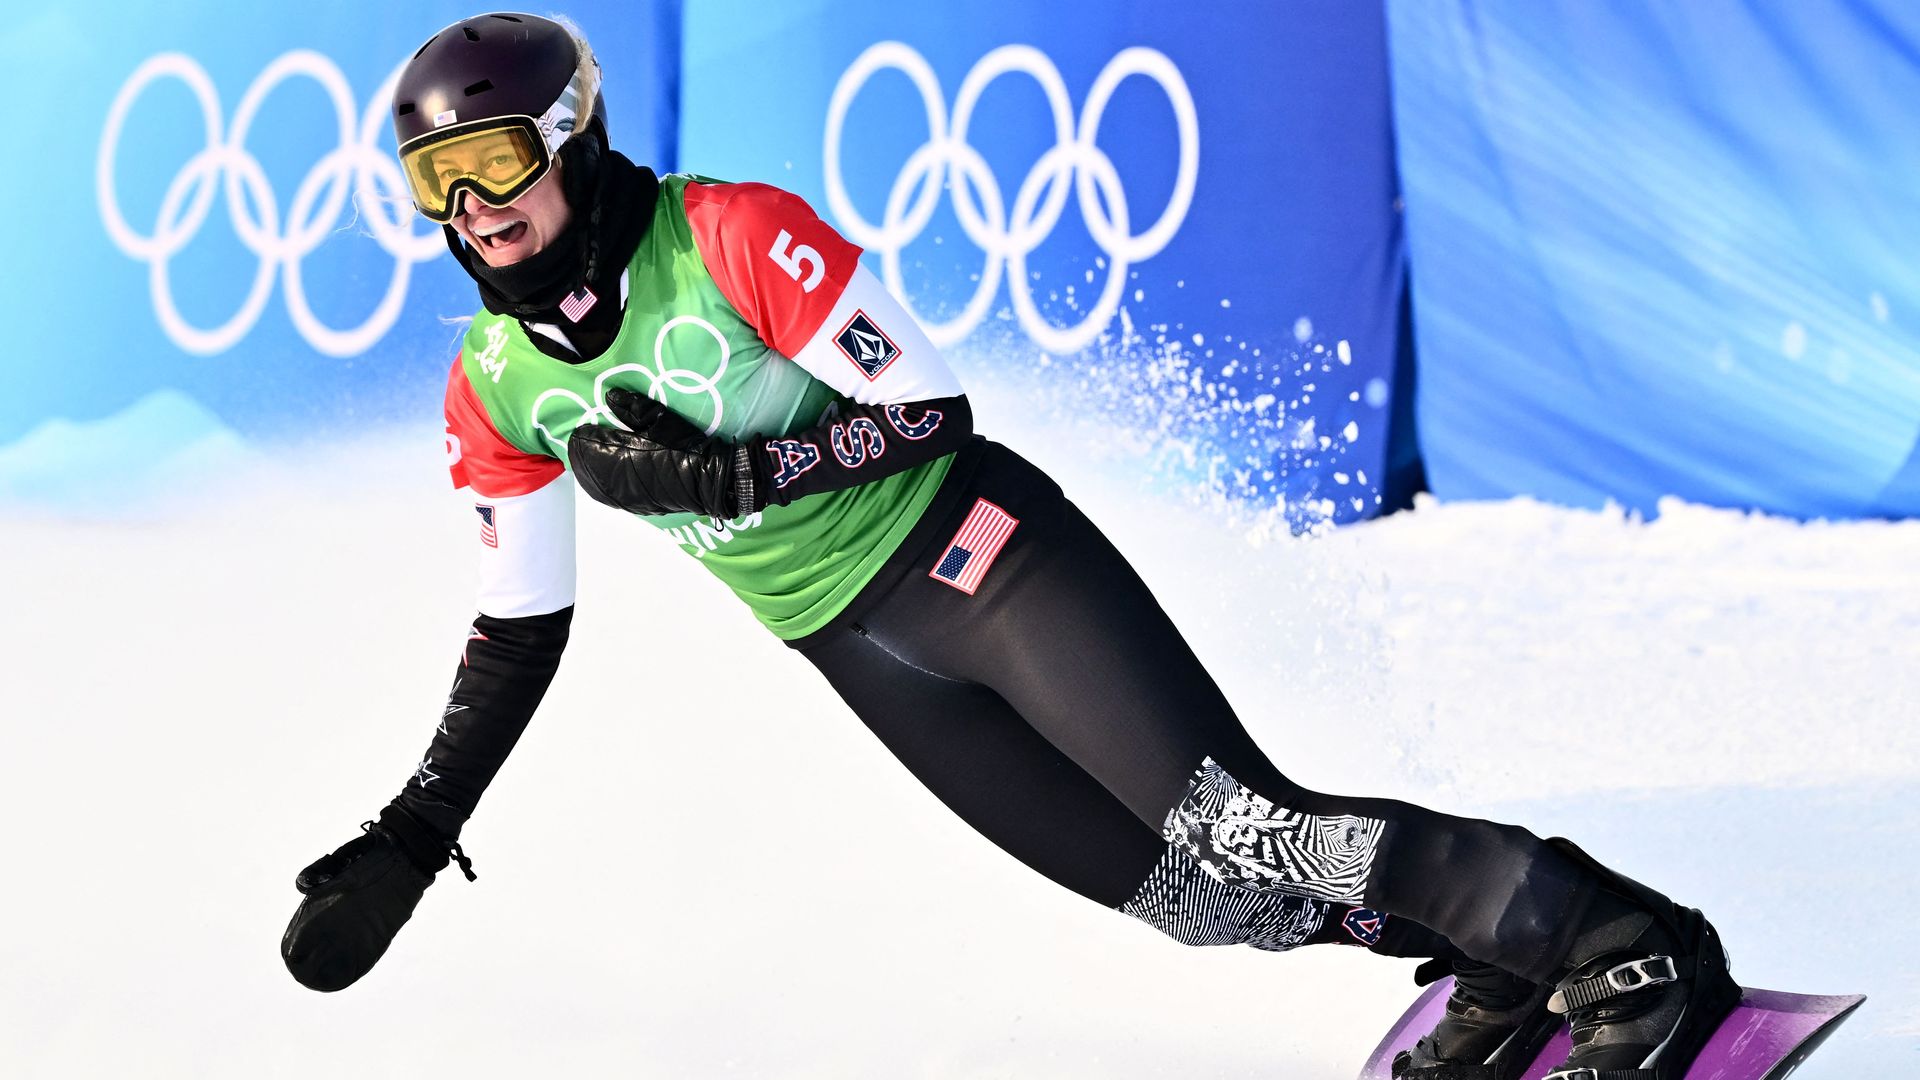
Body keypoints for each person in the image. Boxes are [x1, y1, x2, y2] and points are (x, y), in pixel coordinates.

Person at [280, 13, 1740, 1079]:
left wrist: (733, 469)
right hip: (859, 647)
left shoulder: (725, 236)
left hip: (977, 549)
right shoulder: (499, 385)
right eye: (432, 183)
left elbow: (927, 404)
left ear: (568, 138)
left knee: (1241, 819)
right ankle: (1479, 950)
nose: (472, 211)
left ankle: (1606, 936)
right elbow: (518, 626)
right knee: (1197, 900)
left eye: (488, 163)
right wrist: (419, 830)